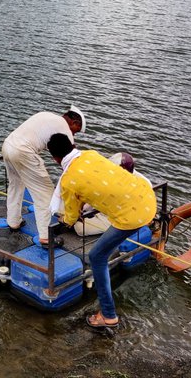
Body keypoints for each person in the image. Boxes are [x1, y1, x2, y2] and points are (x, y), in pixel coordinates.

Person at [47, 133, 156, 329]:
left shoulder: (68, 181)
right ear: (73, 145)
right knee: (100, 252)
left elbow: (70, 218)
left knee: (97, 257)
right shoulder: (90, 154)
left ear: (54, 158)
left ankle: (108, 314)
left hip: (132, 215)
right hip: (147, 199)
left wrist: (63, 218)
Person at [2, 106, 85, 245]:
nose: (74, 135)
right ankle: (46, 238)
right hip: (24, 151)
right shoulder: (65, 130)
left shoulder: (46, 115)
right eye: (76, 131)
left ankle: (13, 222)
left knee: (15, 185)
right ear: (75, 123)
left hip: (8, 145)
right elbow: (70, 161)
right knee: (45, 193)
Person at [49, 151, 153, 237]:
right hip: (104, 208)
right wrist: (82, 208)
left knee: (80, 229)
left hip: (120, 216)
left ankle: (75, 222)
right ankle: (76, 219)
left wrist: (80, 212)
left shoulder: (142, 183)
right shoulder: (110, 177)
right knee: (62, 207)